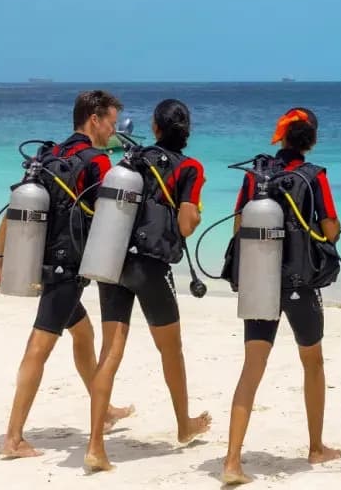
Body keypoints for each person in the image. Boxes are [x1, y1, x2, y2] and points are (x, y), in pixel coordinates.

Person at [0, 89, 134, 459]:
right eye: (111, 123)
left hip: (39, 256)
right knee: (39, 345)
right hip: (67, 267)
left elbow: (15, 205)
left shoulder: (48, 154)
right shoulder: (96, 162)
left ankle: (105, 408)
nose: (113, 131)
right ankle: (13, 438)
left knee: (82, 332)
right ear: (94, 119)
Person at [83, 98, 211, 472]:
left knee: (110, 353)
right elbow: (186, 224)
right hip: (151, 267)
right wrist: (195, 216)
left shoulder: (132, 160)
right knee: (171, 350)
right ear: (186, 131)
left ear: (154, 128)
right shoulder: (190, 167)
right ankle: (184, 424)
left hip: (114, 260)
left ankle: (95, 445)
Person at [221, 108, 341, 485]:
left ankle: (232, 461)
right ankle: (316, 447)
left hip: (260, 280)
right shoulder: (314, 176)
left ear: (282, 136)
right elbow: (331, 229)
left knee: (252, 366)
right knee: (313, 362)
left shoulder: (254, 174)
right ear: (312, 140)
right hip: (298, 283)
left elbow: (239, 223)